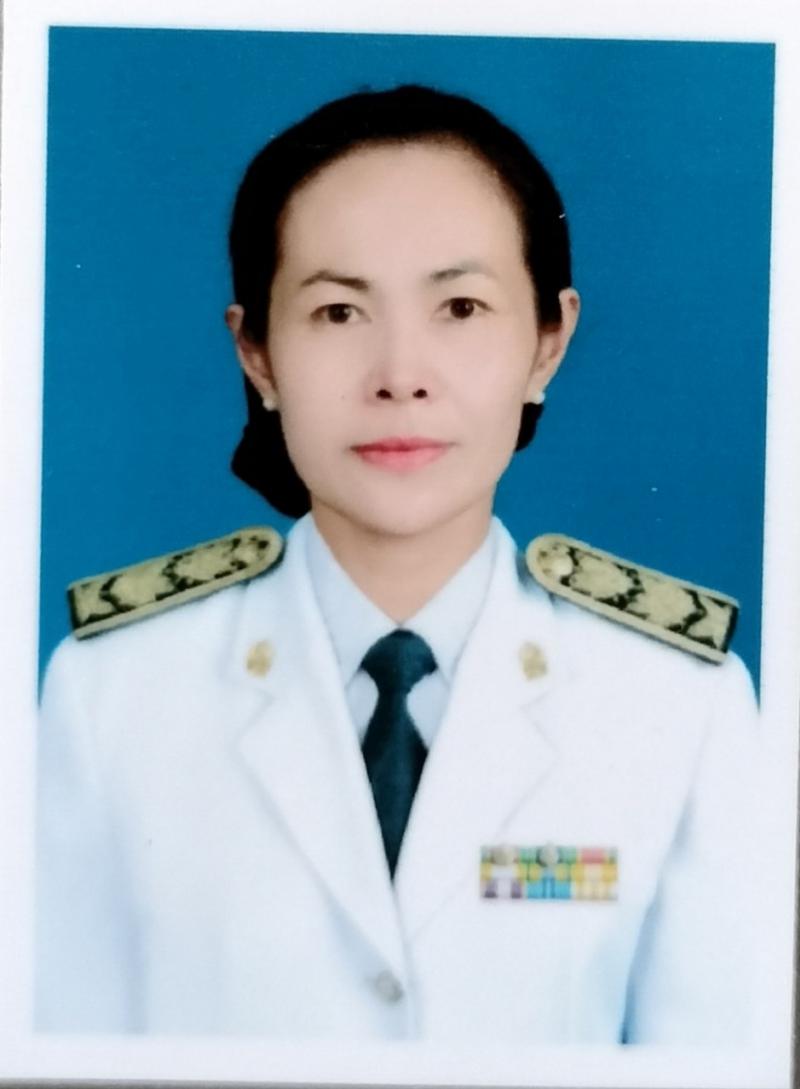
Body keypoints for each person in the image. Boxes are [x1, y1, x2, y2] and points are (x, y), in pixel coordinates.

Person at [36, 85, 759, 1043]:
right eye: (339, 312)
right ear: (257, 354)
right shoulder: (111, 692)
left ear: (548, 342)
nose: (400, 375)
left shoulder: (679, 700)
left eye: (460, 306)